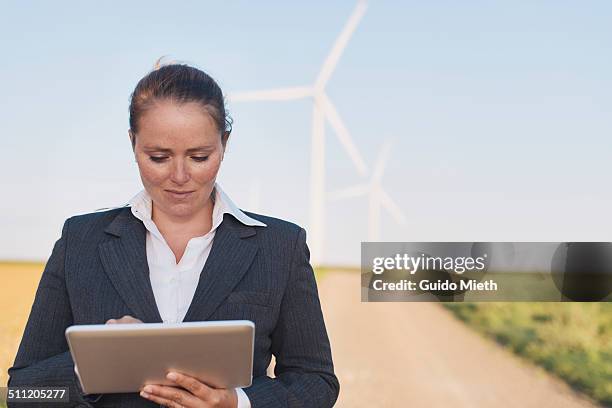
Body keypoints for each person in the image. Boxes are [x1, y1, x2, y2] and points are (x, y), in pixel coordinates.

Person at [8, 61, 339, 408]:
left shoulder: (280, 247)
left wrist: (237, 403)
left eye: (199, 157)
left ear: (224, 144)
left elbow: (316, 383)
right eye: (158, 157)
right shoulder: (80, 241)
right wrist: (90, 365)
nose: (179, 176)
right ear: (132, 143)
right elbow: (21, 394)